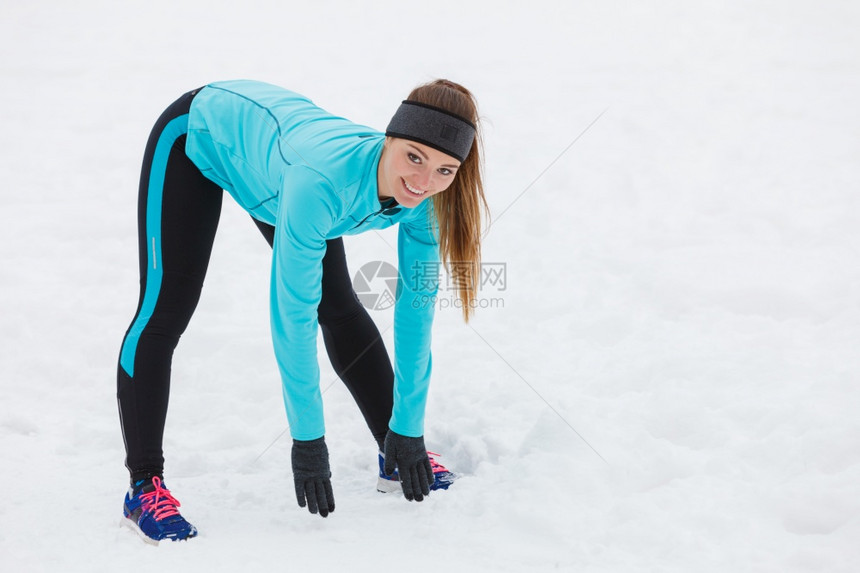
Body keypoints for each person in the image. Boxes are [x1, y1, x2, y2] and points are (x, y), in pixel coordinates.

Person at [116, 79, 487, 544]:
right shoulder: (322, 183)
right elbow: (293, 315)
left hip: (276, 170)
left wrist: (407, 428)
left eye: (444, 170)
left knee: (341, 308)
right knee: (165, 311)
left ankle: (391, 454)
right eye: (413, 156)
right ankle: (143, 486)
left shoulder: (428, 204)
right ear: (387, 139)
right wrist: (308, 440)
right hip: (199, 135)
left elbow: (416, 315)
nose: (423, 182)